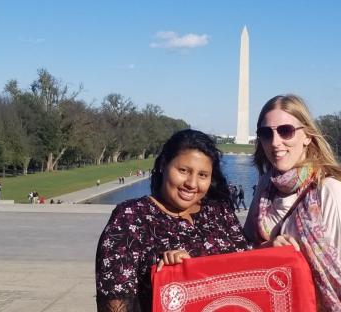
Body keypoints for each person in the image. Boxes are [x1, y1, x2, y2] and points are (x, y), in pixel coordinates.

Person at [95, 129, 250, 311]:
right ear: (163, 164)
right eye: (183, 170)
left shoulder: (219, 210)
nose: (192, 184)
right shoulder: (130, 217)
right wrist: (173, 275)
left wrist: (272, 247)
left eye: (202, 175)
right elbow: (115, 300)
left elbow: (244, 268)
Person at [244, 94, 341, 310]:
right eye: (266, 133)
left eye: (286, 131)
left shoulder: (332, 193)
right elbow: (243, 249)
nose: (275, 142)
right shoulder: (266, 186)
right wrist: (266, 249)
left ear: (307, 136)